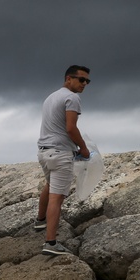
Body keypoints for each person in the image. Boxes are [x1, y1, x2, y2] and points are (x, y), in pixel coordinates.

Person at [35, 65, 91, 256]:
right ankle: (50, 243)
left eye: (87, 81)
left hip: (44, 151)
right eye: (81, 80)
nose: (84, 84)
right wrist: (83, 148)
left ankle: (40, 221)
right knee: (57, 198)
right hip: (60, 154)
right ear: (68, 79)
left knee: (50, 185)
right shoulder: (72, 97)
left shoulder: (51, 97)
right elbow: (70, 128)